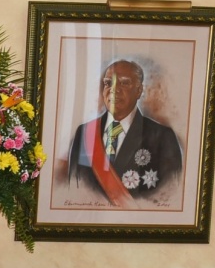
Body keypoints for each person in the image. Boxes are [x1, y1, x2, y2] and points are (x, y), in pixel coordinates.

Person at [66, 59, 183, 207]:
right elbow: (73, 188)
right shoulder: (85, 133)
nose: (114, 89)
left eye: (124, 83)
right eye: (108, 83)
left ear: (139, 91)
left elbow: (170, 196)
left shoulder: (162, 137)